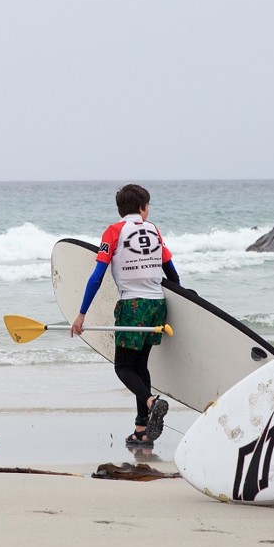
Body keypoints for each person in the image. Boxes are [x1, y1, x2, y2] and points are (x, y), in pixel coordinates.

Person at [71, 184, 183, 447]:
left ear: (120, 209)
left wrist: (81, 314)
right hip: (157, 305)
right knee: (140, 366)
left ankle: (151, 402)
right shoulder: (154, 230)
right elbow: (172, 273)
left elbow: (97, 277)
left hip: (132, 307)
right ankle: (142, 429)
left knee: (122, 366)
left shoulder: (114, 231)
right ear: (143, 208)